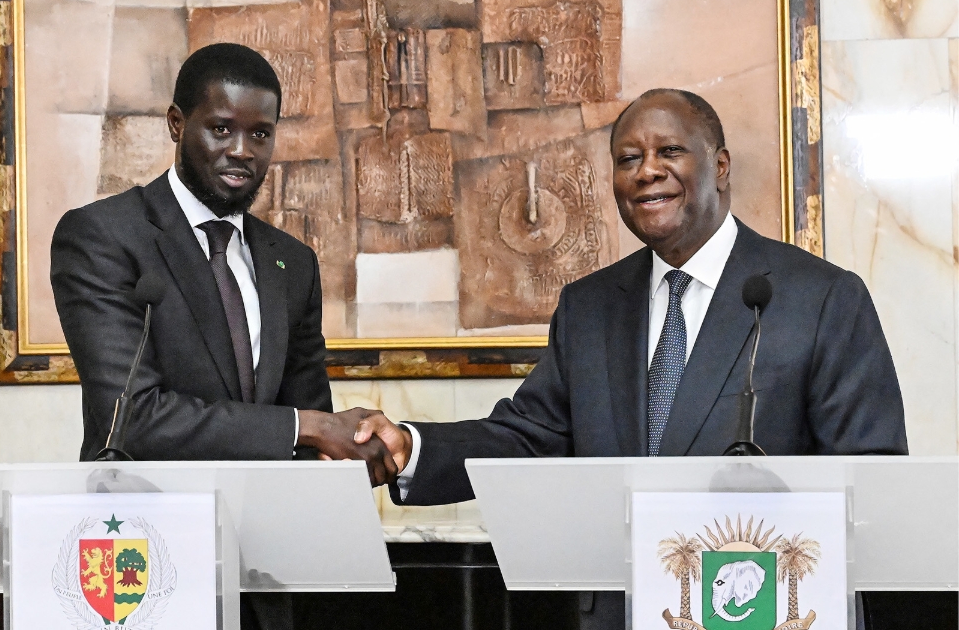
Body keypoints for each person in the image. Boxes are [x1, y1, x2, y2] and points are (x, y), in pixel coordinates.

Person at [349, 88, 908, 630]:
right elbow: (529, 437)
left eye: (670, 151)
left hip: (762, 608)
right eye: (628, 159)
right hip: (619, 612)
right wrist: (410, 448)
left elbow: (871, 475)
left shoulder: (820, 297)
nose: (647, 171)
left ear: (720, 166)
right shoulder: (589, 306)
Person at [51, 42, 395, 630]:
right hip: (143, 570)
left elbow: (313, 420)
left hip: (264, 574)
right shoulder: (104, 237)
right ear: (176, 124)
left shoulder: (292, 262)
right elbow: (130, 419)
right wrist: (309, 428)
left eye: (260, 134)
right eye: (220, 129)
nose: (241, 150)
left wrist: (362, 446)